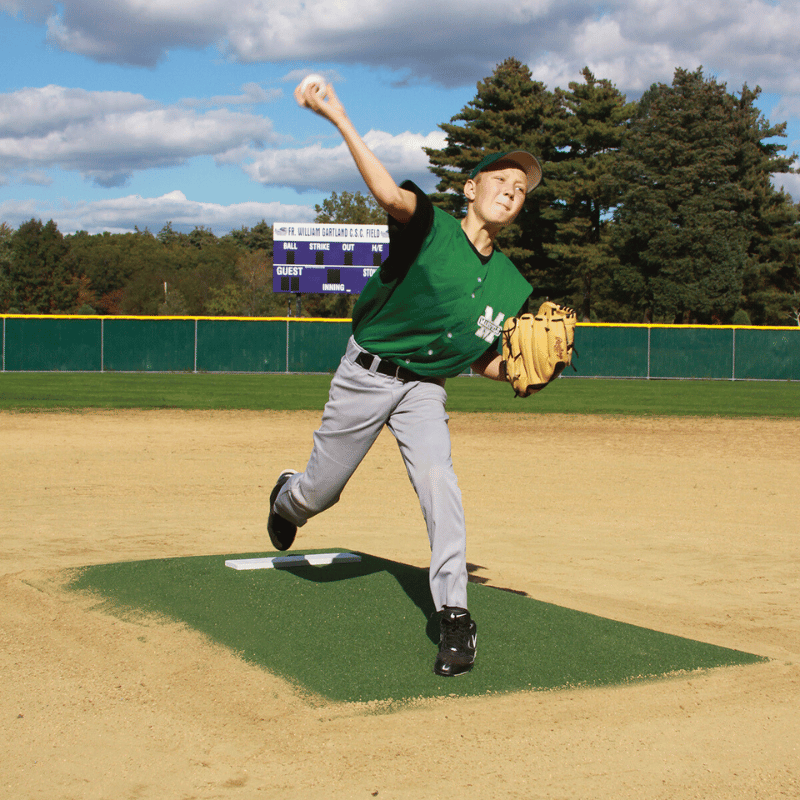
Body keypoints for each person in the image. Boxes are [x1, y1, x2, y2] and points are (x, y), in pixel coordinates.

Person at [268, 77, 541, 677]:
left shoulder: (513, 288)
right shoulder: (431, 229)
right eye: (501, 180)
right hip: (366, 373)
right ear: (471, 189)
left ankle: (455, 617)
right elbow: (390, 195)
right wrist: (339, 116)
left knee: (440, 482)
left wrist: (524, 375)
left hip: (425, 388)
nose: (512, 191)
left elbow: (482, 359)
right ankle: (287, 501)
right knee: (321, 492)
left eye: (521, 189)